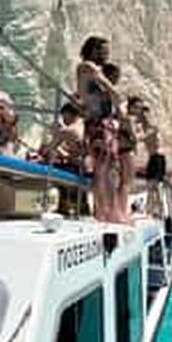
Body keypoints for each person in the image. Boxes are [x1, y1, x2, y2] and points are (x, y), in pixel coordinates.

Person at [76, 36, 125, 222]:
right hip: (97, 124)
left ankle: (108, 211)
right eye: (104, 51)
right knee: (104, 168)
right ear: (93, 50)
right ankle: (106, 213)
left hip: (103, 123)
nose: (107, 55)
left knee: (109, 168)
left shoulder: (92, 68)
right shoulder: (87, 66)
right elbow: (110, 89)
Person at [103, 63, 136, 221]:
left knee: (116, 180)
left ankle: (115, 211)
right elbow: (131, 134)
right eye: (116, 76)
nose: (118, 79)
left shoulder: (109, 103)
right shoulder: (124, 115)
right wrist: (134, 138)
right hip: (124, 148)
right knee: (126, 182)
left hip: (115, 144)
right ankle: (120, 212)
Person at [137, 104, 166, 218]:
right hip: (153, 158)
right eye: (141, 115)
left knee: (155, 185)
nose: (143, 118)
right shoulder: (143, 127)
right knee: (150, 185)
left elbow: (144, 136)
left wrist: (133, 137)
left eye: (144, 115)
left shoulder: (153, 127)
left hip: (158, 158)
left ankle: (159, 211)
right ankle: (151, 210)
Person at [40, 102, 84, 172]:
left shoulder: (70, 130)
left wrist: (41, 154)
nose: (63, 120)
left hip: (78, 168)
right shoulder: (83, 124)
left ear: (69, 114)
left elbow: (49, 148)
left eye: (64, 117)